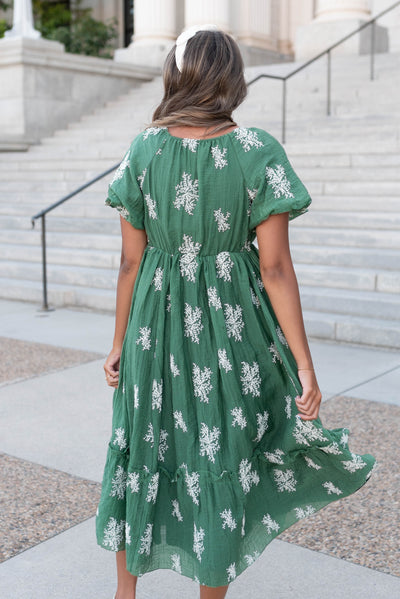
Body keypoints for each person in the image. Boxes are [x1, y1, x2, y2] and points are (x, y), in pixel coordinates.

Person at [96, 25, 377, 599]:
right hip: (229, 328)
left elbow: (130, 262)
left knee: (143, 440)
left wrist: (120, 341)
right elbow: (274, 269)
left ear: (177, 74)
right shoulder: (257, 151)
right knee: (218, 449)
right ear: (232, 78)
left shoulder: (143, 150)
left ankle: (124, 594)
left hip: (154, 324)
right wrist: (304, 364)